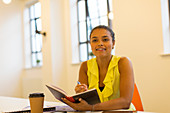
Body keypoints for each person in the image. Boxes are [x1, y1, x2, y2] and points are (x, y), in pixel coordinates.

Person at [62, 25, 135, 111]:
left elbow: (125, 102)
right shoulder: (85, 66)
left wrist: (92, 107)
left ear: (113, 43)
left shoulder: (123, 62)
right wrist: (80, 95)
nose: (100, 43)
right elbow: (84, 102)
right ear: (91, 44)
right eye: (95, 40)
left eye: (105, 39)